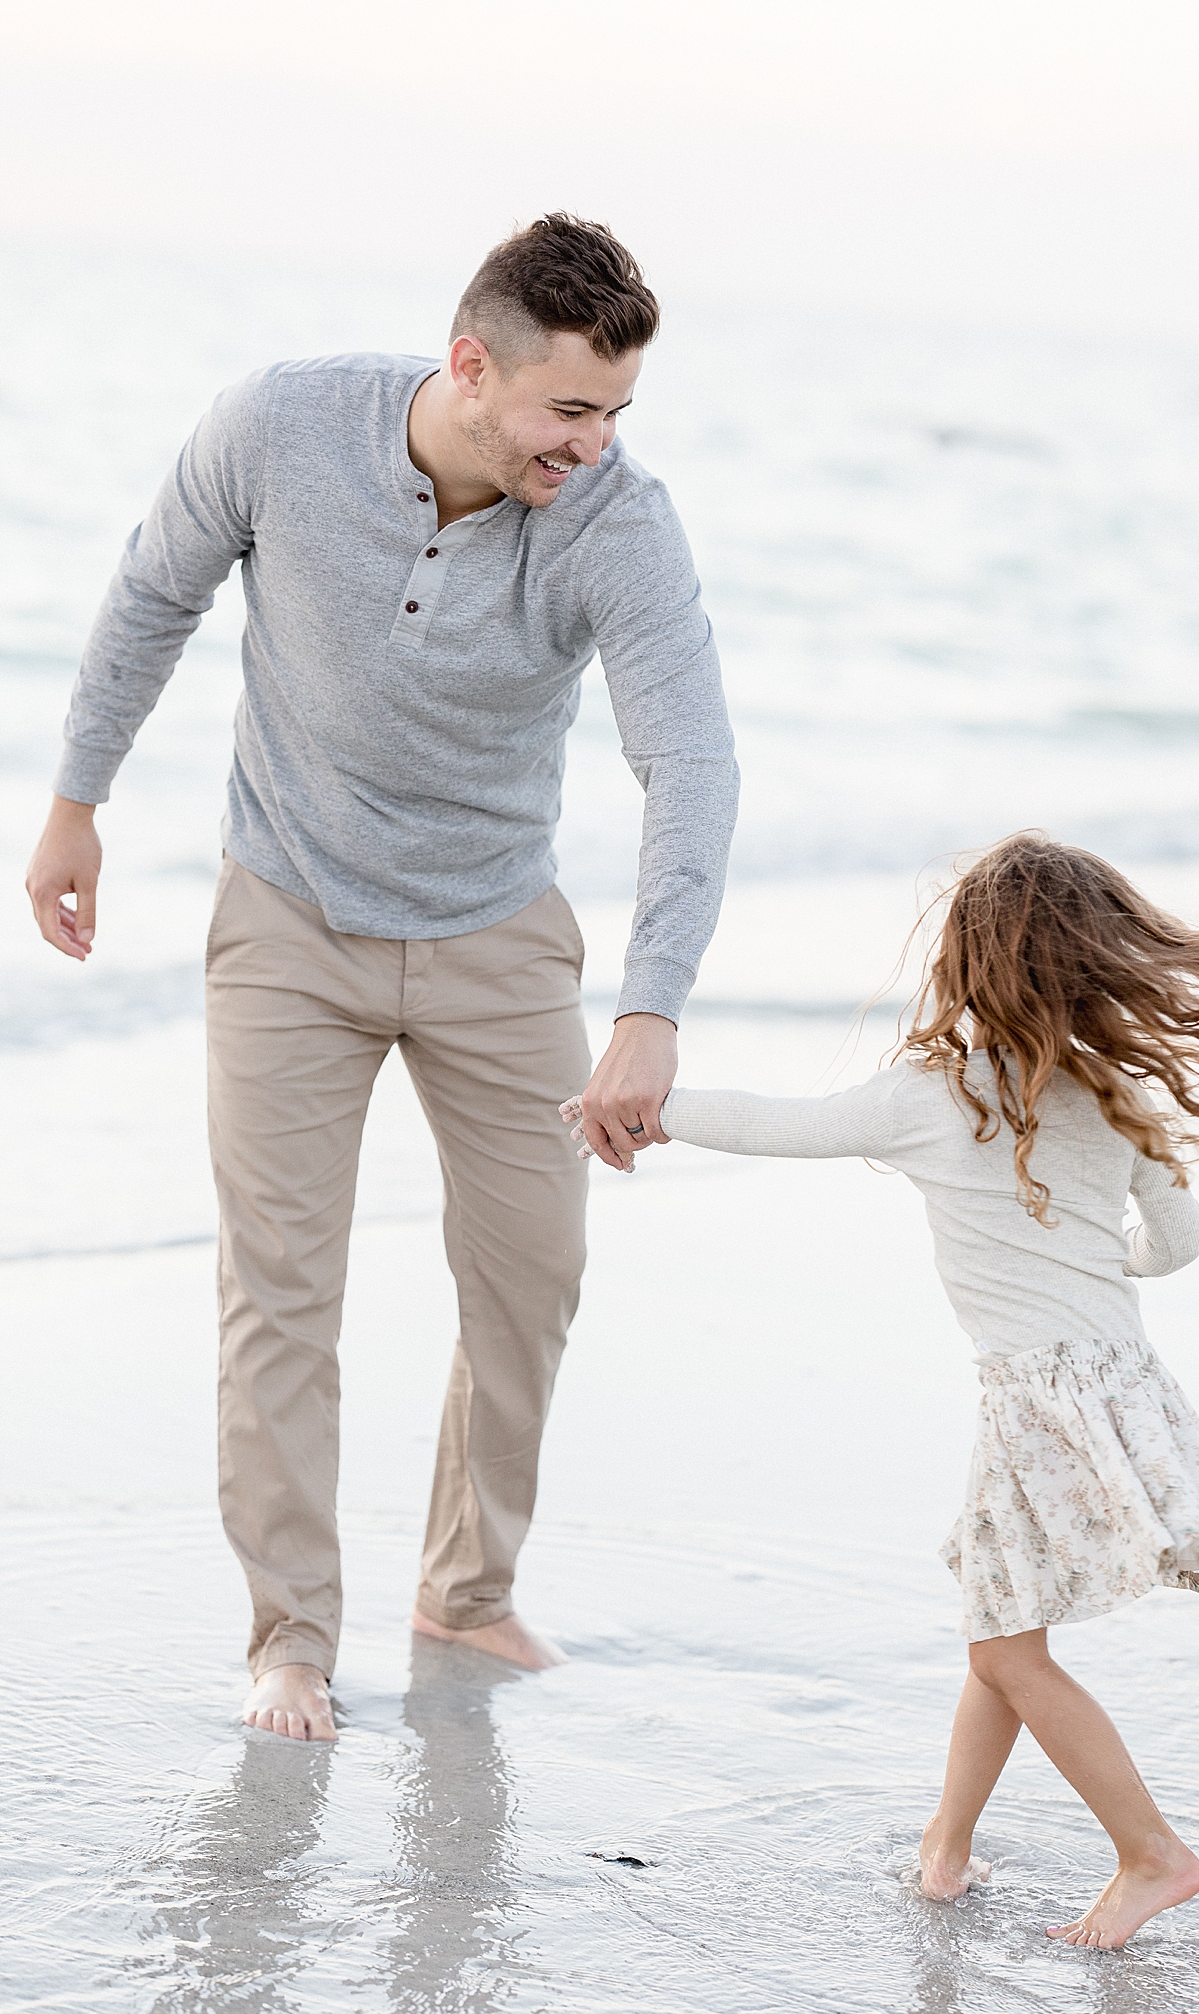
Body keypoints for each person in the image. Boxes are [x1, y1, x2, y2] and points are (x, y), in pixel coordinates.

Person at [25, 215, 739, 1743]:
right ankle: (289, 1634)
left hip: (496, 929)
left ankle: (464, 1594)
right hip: (287, 912)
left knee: (533, 1275)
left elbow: (688, 759)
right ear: (470, 366)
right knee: (282, 1286)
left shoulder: (618, 522)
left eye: (616, 411)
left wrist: (650, 1006)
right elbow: (156, 590)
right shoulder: (283, 423)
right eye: (568, 409)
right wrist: (76, 801)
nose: (593, 444)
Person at [564, 831, 1199, 1947]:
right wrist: (1106, 1272)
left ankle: (1151, 1855)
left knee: (1005, 1646)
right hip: (1116, 1385)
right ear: (1098, 962)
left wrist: (645, 1110)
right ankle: (943, 1852)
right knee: (1002, 1629)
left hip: (1034, 1400)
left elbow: (780, 1125)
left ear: (964, 966)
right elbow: (1178, 1243)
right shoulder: (1116, 1091)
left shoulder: (929, 1094)